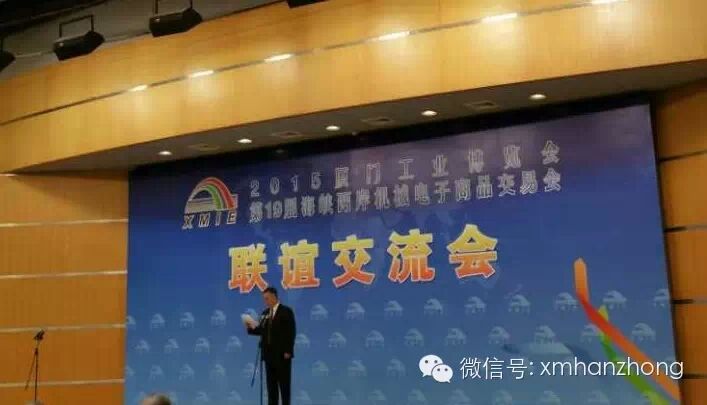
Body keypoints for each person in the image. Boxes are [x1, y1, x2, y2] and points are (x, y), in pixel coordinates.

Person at [245, 286, 296, 405]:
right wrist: (250, 327)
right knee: (271, 388)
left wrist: (288, 350)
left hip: (282, 355)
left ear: (274, 297)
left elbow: (291, 331)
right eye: (264, 299)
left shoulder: (286, 311)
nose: (265, 301)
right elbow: (261, 330)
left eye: (267, 298)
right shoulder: (265, 313)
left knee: (284, 387)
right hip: (268, 356)